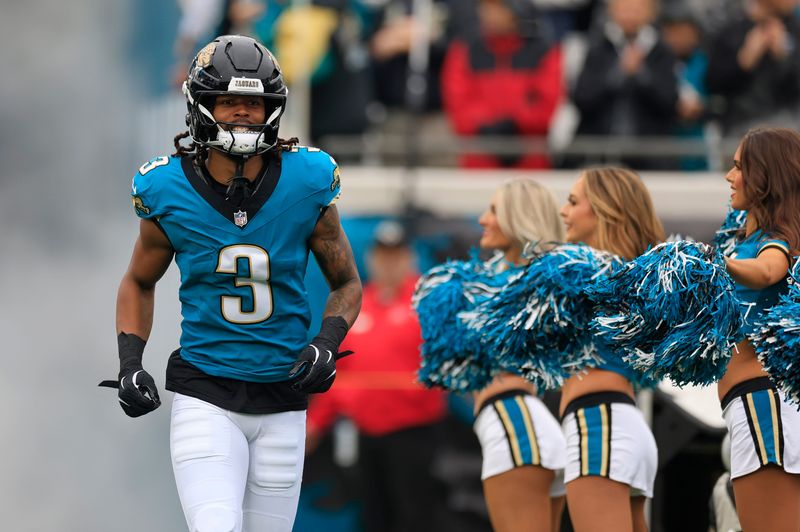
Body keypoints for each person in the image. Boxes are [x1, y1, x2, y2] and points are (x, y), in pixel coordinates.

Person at [103, 35, 362, 532]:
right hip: (206, 393)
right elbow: (138, 281)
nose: (243, 113)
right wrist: (130, 362)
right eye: (229, 101)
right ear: (202, 106)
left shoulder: (308, 180)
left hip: (284, 397)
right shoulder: (166, 188)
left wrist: (328, 343)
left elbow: (347, 282)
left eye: (254, 101)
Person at [305, 220, 448, 532]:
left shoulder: (428, 302)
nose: (389, 263)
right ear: (371, 259)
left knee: (416, 515)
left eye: (396, 255)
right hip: (366, 434)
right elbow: (340, 374)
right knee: (372, 517)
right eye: (382, 255)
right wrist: (315, 422)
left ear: (409, 257)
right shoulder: (358, 304)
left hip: (413, 434)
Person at [558, 167, 665, 532]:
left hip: (598, 424)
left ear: (605, 210)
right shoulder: (628, 275)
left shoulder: (592, 274)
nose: (563, 212)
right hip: (618, 424)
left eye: (573, 202)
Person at [471, 179, 568, 532]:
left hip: (515, 427)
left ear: (519, 217)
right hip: (526, 427)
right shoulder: (512, 279)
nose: (483, 219)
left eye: (494, 210)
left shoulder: (528, 283)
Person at [718, 127, 800, 532]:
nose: (730, 177)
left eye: (738, 167)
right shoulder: (743, 238)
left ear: (765, 176)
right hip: (749, 407)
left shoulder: (775, 239)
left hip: (761, 407)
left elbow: (770, 270)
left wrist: (715, 266)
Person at [441, 0, 564, 169]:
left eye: (499, 8)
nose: (490, 15)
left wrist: (514, 124)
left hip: (530, 162)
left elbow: (545, 107)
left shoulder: (544, 50)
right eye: (486, 8)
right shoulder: (464, 50)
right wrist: (488, 126)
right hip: (478, 161)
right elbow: (458, 106)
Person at [570, 0, 678, 169]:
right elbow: (582, 97)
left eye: (637, 9)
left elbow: (669, 101)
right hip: (600, 152)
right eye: (624, 9)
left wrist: (642, 75)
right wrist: (617, 74)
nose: (630, 15)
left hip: (650, 156)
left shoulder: (661, 50)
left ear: (651, 13)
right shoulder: (598, 47)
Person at [706, 0, 800, 137]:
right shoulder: (732, 30)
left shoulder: (794, 30)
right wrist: (742, 62)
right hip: (741, 128)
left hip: (788, 128)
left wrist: (784, 56)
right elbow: (713, 84)